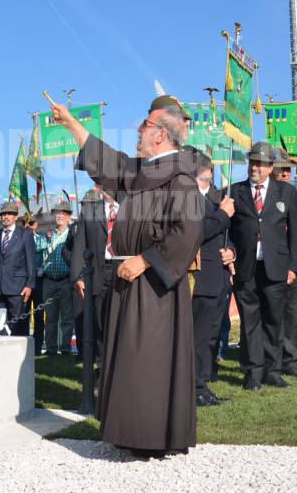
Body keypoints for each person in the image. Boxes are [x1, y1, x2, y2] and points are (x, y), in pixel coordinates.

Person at [51, 94, 202, 456]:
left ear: (162, 135)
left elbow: (188, 231)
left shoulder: (179, 178)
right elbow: (107, 162)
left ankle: (151, 436)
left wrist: (147, 260)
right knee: (130, 358)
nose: (138, 130)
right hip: (130, 277)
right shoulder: (142, 172)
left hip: (153, 284)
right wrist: (72, 124)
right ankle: (130, 432)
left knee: (149, 358)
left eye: (146, 125)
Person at [230, 142, 297, 390]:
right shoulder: (234, 191)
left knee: (274, 320)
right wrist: (229, 253)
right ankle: (253, 371)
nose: (255, 168)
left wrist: (294, 267)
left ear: (271, 167)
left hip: (277, 267)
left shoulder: (287, 192)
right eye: (252, 162)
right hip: (246, 267)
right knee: (250, 321)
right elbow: (228, 231)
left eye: (261, 164)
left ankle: (273, 369)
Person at [191, 156, 235, 405]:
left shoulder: (219, 197)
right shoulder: (188, 198)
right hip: (199, 277)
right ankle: (195, 386)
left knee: (210, 336)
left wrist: (232, 252)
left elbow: (229, 235)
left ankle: (203, 383)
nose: (208, 170)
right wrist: (221, 214)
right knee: (198, 337)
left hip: (219, 276)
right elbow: (199, 231)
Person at [70, 186, 118, 365]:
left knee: (120, 322)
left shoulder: (130, 207)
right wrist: (77, 276)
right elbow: (80, 245)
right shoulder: (90, 210)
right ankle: (101, 369)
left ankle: (120, 370)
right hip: (99, 271)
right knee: (99, 322)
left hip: (123, 272)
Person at [271, 147, 297, 377]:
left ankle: (289, 360)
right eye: (281, 170)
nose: (284, 174)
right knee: (273, 315)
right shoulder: (265, 193)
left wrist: (295, 266)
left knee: (293, 315)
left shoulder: (296, 194)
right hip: (271, 263)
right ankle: (272, 358)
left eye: (288, 170)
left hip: (292, 263)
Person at [0, 202, 35, 335]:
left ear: (16, 217)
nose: (5, 216)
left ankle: (19, 353)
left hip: (17, 287)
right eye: (3, 214)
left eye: (9, 214)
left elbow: (31, 262)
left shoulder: (26, 234)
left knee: (17, 325)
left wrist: (29, 285)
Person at [41, 201, 75, 355]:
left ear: (69, 217)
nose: (60, 215)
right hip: (49, 281)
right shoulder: (47, 234)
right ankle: (51, 348)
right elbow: (34, 246)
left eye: (64, 213)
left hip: (66, 281)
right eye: (58, 213)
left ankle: (66, 348)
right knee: (50, 319)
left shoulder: (73, 234)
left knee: (67, 318)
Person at [24, 212, 45, 348]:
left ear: (36, 225)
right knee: (23, 314)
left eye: (31, 224)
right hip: (24, 281)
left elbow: (41, 251)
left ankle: (37, 345)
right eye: (26, 224)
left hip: (38, 280)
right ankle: (23, 342)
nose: (28, 226)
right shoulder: (19, 238)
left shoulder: (41, 239)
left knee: (38, 314)